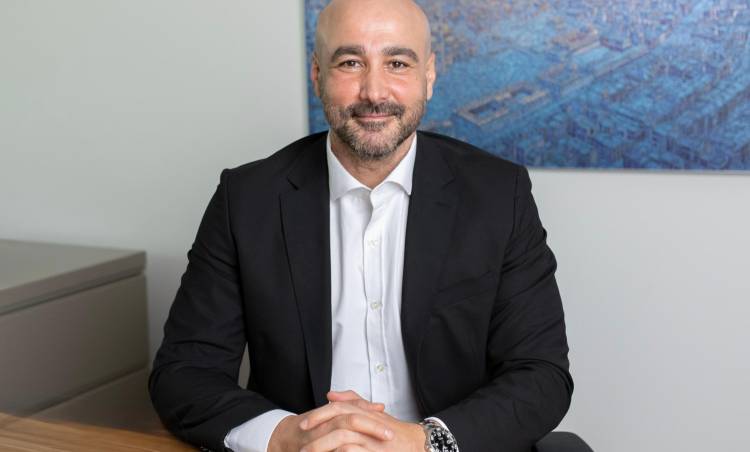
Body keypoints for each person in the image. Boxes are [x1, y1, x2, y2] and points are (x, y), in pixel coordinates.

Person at [149, 0, 573, 451]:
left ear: (428, 75)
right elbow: (184, 372)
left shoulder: (498, 195)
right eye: (351, 62)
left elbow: (541, 375)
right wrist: (287, 436)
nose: (374, 92)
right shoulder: (247, 200)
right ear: (317, 74)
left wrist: (421, 442)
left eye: (397, 63)